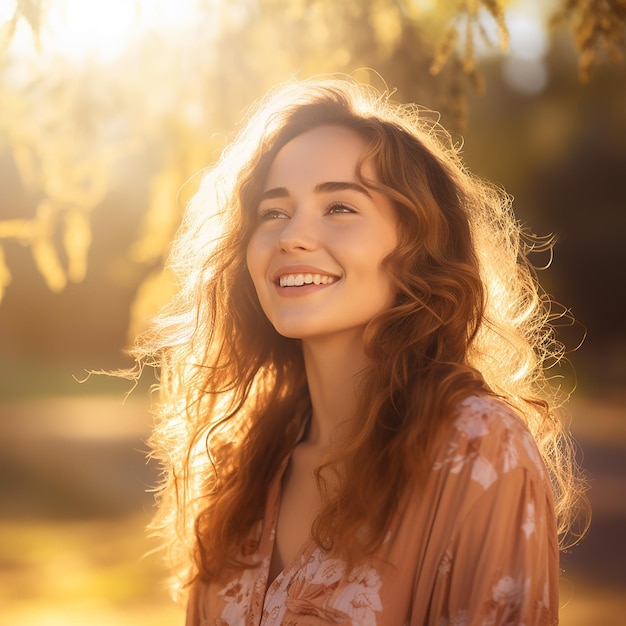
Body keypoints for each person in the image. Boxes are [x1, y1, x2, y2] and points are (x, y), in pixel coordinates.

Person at [130, 77, 587, 625]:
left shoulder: (478, 447)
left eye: (340, 208)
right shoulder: (242, 463)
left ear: (417, 246)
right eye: (272, 212)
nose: (291, 237)